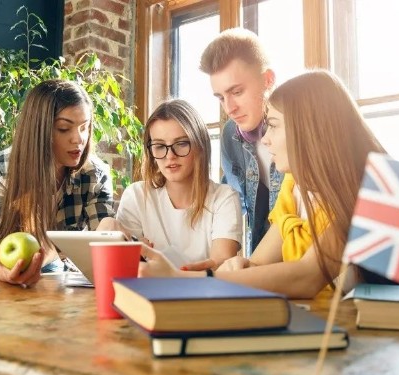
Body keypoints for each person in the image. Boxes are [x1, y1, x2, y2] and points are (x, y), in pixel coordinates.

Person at [138, 70, 386, 299]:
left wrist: (179, 278)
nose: (265, 140)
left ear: (309, 131)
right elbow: (257, 263)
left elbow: (307, 277)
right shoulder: (293, 186)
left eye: (274, 126)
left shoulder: (362, 192)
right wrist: (240, 266)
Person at [0, 80, 124, 286]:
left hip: (56, 274)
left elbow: (99, 245)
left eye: (85, 127)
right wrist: (5, 271)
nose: (78, 139)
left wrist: (110, 231)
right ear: (39, 130)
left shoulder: (95, 174)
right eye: (64, 129)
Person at [98, 99, 242, 269]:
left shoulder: (224, 198)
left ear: (200, 145)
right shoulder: (136, 195)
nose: (170, 156)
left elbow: (222, 269)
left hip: (205, 295)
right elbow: (124, 268)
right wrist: (107, 227)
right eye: (159, 146)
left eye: (181, 144)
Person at [199, 28, 283, 257]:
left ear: (268, 80)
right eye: (220, 97)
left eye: (236, 91)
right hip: (261, 266)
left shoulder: (302, 128)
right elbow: (233, 209)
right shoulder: (230, 136)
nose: (229, 108)